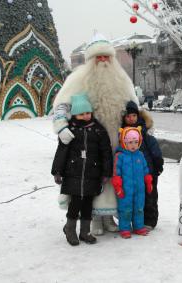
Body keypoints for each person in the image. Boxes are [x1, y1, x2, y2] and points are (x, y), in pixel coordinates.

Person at [52, 33, 139, 235]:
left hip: (118, 143)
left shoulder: (122, 79)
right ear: (90, 59)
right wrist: (62, 127)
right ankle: (93, 220)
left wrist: (141, 128)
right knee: (91, 182)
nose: (102, 60)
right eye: (98, 57)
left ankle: (108, 217)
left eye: (106, 56)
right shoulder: (78, 78)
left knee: (112, 180)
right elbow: (61, 105)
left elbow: (135, 106)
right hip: (87, 143)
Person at [51, 94, 112, 246]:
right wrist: (57, 171)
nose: (85, 116)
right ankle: (70, 229)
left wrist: (106, 172)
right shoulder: (70, 130)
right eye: (81, 113)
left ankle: (85, 232)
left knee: (88, 204)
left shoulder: (98, 130)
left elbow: (106, 152)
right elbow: (62, 150)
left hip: (93, 173)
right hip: (73, 173)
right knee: (75, 203)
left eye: (87, 113)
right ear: (75, 114)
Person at [122, 101, 163, 230]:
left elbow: (154, 149)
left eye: (134, 115)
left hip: (148, 170)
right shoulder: (122, 132)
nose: (131, 118)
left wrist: (157, 165)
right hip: (130, 172)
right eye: (128, 116)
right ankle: (136, 220)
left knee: (150, 195)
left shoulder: (144, 132)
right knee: (136, 196)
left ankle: (150, 220)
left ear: (138, 116)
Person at [111, 127, 153, 239]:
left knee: (139, 208)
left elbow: (145, 169)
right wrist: (118, 186)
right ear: (124, 142)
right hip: (125, 190)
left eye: (136, 142)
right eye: (130, 142)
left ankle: (138, 227)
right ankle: (124, 228)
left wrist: (148, 181)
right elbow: (116, 172)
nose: (133, 145)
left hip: (139, 189)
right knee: (126, 209)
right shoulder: (120, 156)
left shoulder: (140, 155)